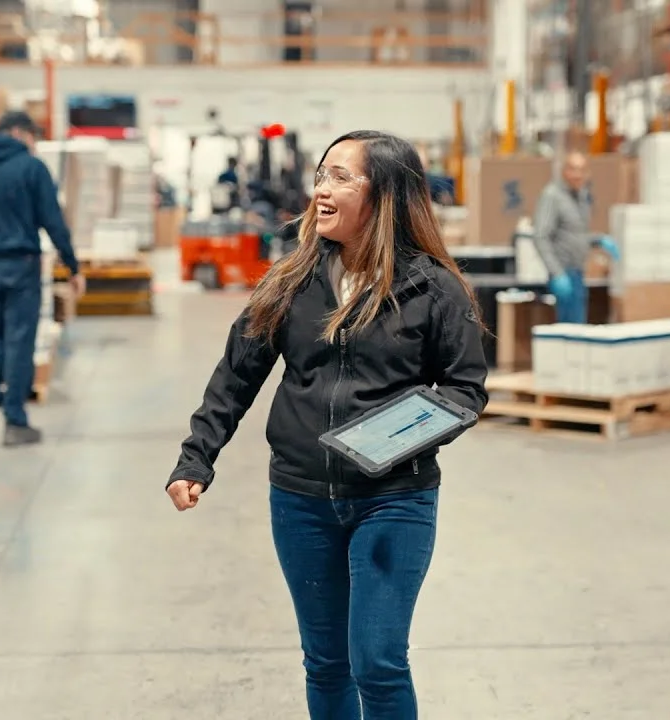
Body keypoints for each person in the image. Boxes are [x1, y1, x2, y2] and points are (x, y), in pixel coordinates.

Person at [167, 130, 488, 719]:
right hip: (300, 497)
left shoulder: (434, 289)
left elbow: (466, 388)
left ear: (385, 196)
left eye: (341, 177)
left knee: (378, 661)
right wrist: (197, 456)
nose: (321, 190)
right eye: (320, 175)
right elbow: (236, 374)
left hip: (393, 498)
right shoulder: (291, 281)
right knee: (326, 662)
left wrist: (397, 439)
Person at [0, 110, 85, 447]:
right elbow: (53, 221)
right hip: (22, 265)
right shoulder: (31, 168)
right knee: (20, 340)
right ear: (20, 133)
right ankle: (15, 420)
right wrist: (72, 266)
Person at [532, 151, 593, 323]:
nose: (577, 175)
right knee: (567, 335)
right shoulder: (552, 196)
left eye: (582, 170)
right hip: (563, 274)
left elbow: (575, 232)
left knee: (578, 331)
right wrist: (557, 273)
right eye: (573, 169)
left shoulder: (581, 196)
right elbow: (540, 236)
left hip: (578, 273)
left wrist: (597, 241)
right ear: (564, 171)